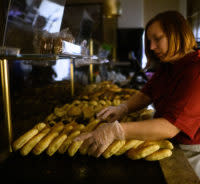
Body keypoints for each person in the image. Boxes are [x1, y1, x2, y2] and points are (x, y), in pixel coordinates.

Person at [74, 11, 200, 179]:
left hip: (190, 152)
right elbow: (146, 94)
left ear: (176, 33)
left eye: (157, 39)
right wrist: (123, 108)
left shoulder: (195, 71)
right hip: (169, 141)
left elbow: (169, 127)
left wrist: (117, 130)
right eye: (149, 41)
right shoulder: (169, 65)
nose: (152, 47)